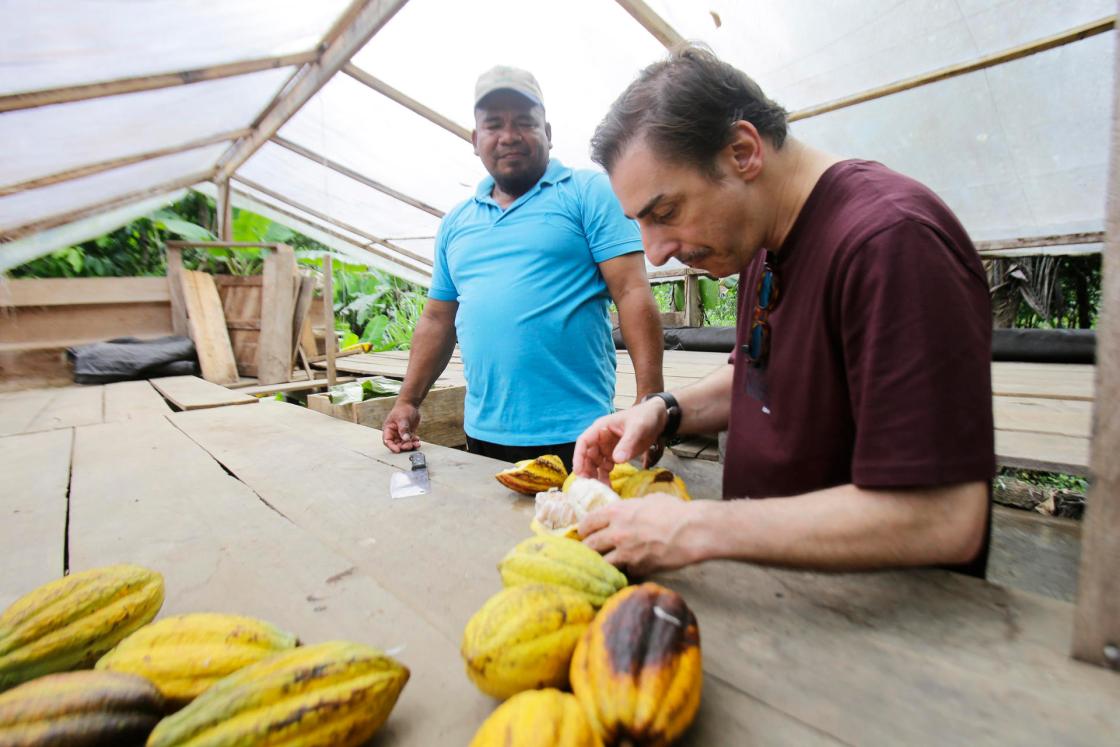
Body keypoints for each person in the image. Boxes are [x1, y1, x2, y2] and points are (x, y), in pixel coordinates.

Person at [573, 46, 995, 578]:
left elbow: (944, 516)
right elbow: (757, 373)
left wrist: (695, 528)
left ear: (743, 151)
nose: (654, 252)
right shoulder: (762, 239)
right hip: (791, 604)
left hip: (878, 627)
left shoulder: (891, 243)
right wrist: (663, 410)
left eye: (666, 212)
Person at [382, 65, 664, 470]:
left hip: (580, 432)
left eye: (524, 123)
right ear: (474, 139)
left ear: (547, 132)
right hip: (484, 433)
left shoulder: (587, 192)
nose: (509, 136)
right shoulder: (456, 223)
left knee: (580, 531)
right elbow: (437, 319)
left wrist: (650, 397)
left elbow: (632, 292)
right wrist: (408, 401)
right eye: (494, 125)